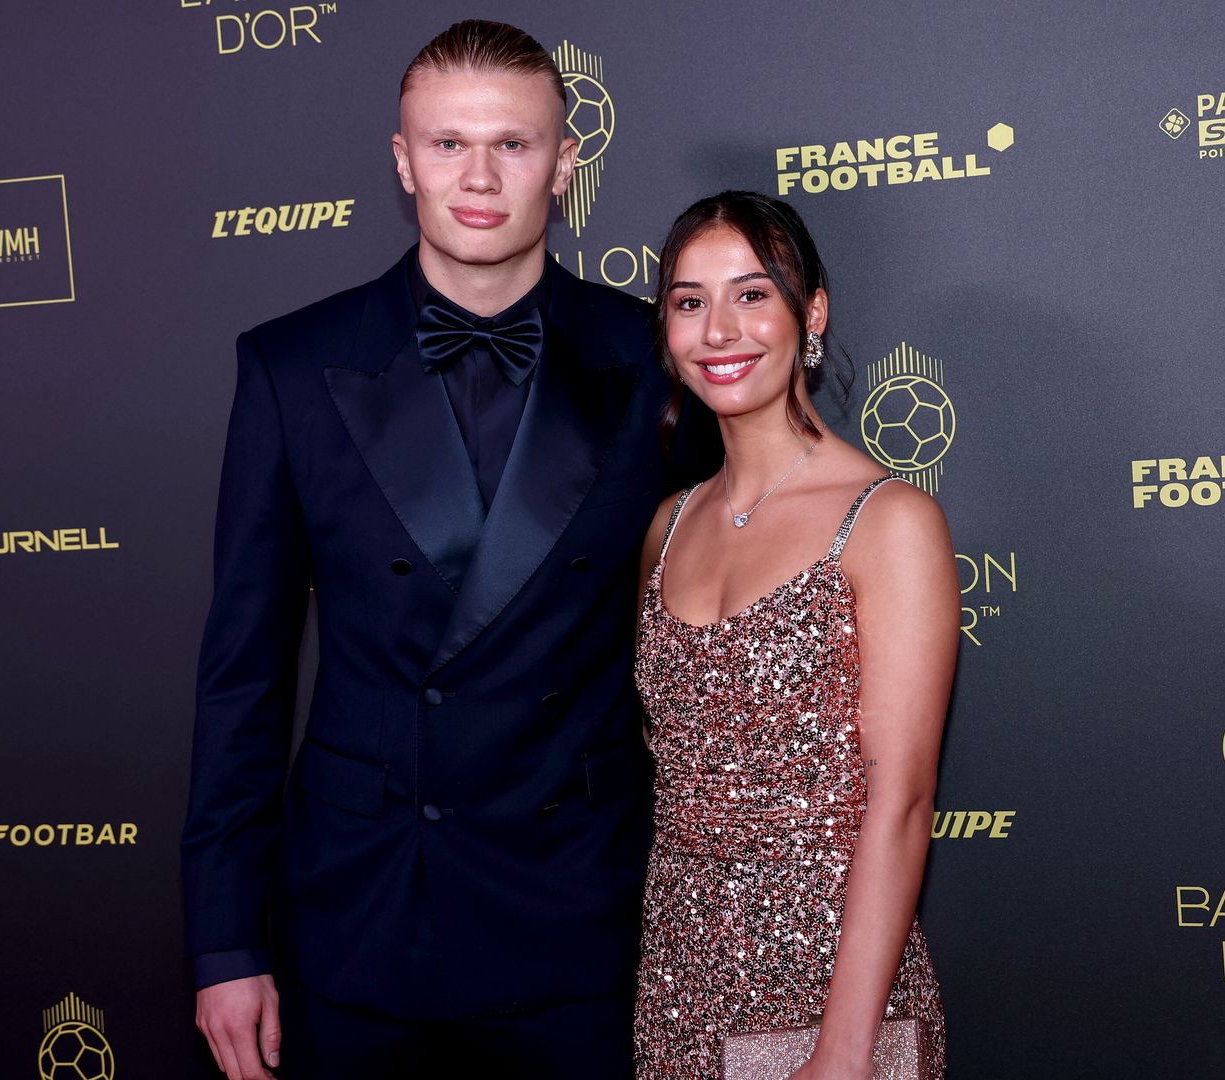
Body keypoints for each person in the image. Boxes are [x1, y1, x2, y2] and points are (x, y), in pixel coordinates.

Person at [180, 20, 713, 1080]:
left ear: (565, 163)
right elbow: (244, 676)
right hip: (362, 916)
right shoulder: (292, 366)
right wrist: (225, 939)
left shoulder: (658, 359)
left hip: (579, 911)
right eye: (447, 144)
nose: (479, 178)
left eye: (513, 145)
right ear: (401, 160)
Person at [632, 191, 959, 1080]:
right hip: (678, 988)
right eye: (689, 302)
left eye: (752, 294)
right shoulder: (666, 527)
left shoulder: (887, 520)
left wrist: (843, 1049)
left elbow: (899, 802)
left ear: (809, 312)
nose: (719, 330)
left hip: (832, 998)